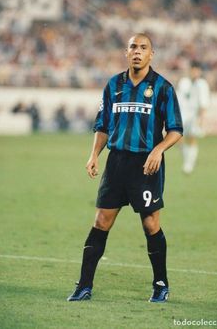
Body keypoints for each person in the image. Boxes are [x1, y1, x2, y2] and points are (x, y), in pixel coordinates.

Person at [67, 33, 183, 303]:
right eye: (133, 47)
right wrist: (94, 154)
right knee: (100, 222)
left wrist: (158, 149)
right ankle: (84, 286)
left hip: (146, 165)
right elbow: (103, 125)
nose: (138, 52)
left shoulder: (163, 88)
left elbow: (176, 130)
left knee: (150, 224)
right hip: (116, 163)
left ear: (151, 54)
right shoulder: (113, 85)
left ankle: (161, 284)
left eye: (143, 48)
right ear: (126, 52)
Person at [177, 61, 210, 174]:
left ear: (199, 71)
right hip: (182, 114)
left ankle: (189, 164)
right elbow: (179, 99)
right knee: (178, 139)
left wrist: (201, 120)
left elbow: (203, 104)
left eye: (196, 70)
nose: (194, 72)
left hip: (193, 116)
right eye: (193, 69)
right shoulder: (183, 82)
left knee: (191, 139)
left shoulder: (202, 84)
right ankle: (188, 159)